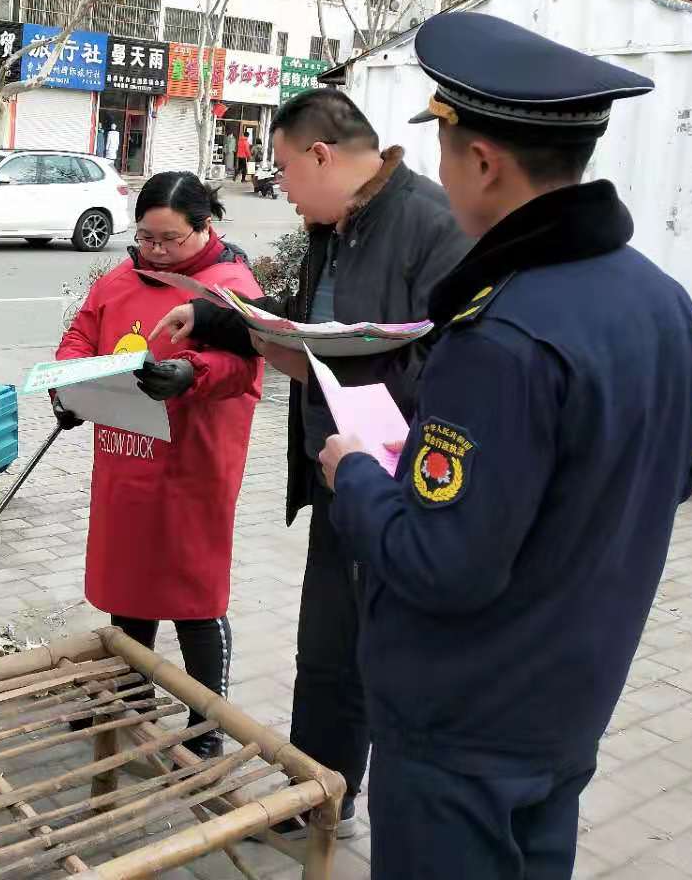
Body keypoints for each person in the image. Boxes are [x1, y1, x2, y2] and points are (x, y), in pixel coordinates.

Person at [317, 13, 692, 878]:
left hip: (462, 721)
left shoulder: (502, 334)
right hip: (568, 698)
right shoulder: (663, 300)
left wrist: (356, 481)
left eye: (446, 144)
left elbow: (443, 563)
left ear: (482, 162)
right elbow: (670, 477)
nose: (441, 170)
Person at [150, 89, 470, 837]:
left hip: (398, 479)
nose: (281, 186)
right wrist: (214, 317)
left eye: (287, 169)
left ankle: (358, 798)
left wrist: (340, 373)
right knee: (324, 646)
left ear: (322, 155)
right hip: (337, 472)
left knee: (372, 648)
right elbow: (300, 321)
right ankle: (316, 788)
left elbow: (451, 364)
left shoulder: (431, 226)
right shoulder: (336, 223)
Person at [55, 172, 264, 759]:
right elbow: (81, 334)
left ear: (205, 227)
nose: (155, 251)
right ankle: (130, 701)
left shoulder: (230, 286)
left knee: (193, 593)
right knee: (130, 583)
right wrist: (69, 385)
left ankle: (206, 727)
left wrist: (192, 374)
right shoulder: (124, 276)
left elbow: (247, 369)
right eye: (145, 237)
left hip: (192, 463)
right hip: (126, 455)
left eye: (169, 240)